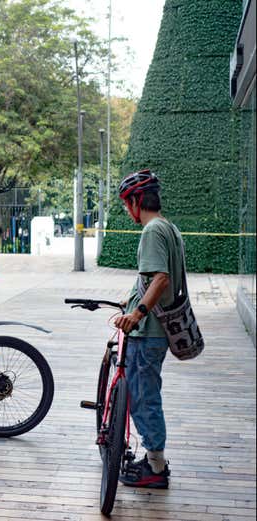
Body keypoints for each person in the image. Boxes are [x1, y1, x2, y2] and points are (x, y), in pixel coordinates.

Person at [113, 169, 182, 489]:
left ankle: (156, 466)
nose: (129, 211)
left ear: (137, 201)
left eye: (128, 204)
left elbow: (161, 279)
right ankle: (154, 460)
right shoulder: (169, 227)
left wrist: (137, 313)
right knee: (145, 394)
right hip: (155, 330)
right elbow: (154, 280)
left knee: (143, 398)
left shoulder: (152, 230)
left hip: (149, 330)